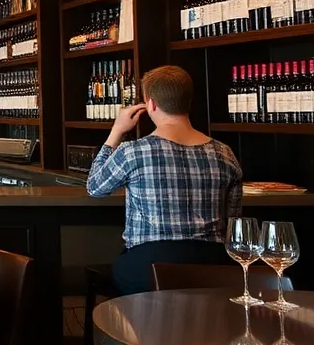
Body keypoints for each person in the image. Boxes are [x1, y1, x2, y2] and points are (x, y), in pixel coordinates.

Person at [87, 65, 243, 294]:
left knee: (125, 271)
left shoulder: (133, 151)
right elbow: (234, 220)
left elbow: (95, 186)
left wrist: (117, 131)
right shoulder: (224, 153)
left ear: (150, 104)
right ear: (188, 101)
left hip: (149, 267)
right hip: (214, 267)